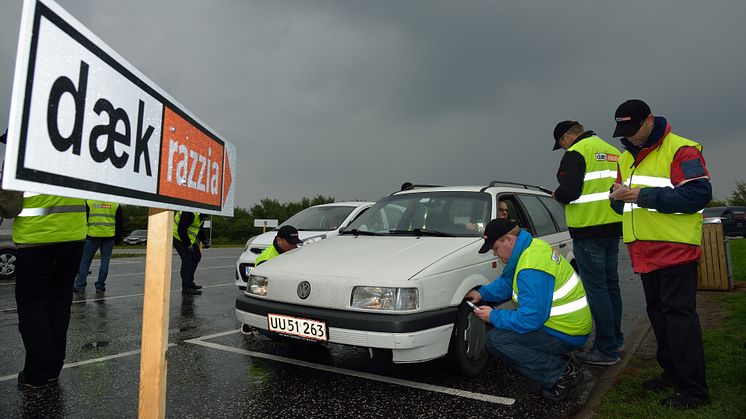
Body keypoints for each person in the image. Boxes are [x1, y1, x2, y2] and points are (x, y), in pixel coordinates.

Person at [609, 99, 711, 409]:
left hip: (674, 248)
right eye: (624, 130)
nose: (630, 136)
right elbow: (619, 202)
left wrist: (641, 196)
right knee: (660, 317)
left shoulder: (681, 149)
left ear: (650, 120)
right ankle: (672, 374)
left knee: (680, 320)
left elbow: (698, 194)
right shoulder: (627, 158)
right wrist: (616, 198)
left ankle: (694, 390)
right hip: (644, 250)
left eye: (634, 128)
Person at [468, 218, 591, 401]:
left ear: (509, 240)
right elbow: (509, 281)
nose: (495, 254)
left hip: (566, 331)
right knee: (504, 334)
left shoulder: (531, 267)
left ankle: (560, 373)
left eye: (495, 248)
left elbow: (530, 320)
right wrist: (482, 294)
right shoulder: (532, 247)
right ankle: (558, 365)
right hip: (566, 324)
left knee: (496, 341)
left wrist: (493, 315)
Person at [551, 120, 624, 366]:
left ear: (566, 137)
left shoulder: (576, 153)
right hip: (613, 227)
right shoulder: (613, 151)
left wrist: (556, 194)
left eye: (560, 144)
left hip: (588, 229)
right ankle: (616, 340)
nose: (562, 148)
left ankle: (606, 349)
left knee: (597, 289)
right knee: (610, 285)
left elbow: (569, 192)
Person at [11, 193, 87, 388]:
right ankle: (53, 369)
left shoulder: (23, 159)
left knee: (32, 307)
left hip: (35, 238)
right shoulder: (78, 160)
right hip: (73, 237)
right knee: (59, 304)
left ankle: (37, 373)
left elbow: (9, 207)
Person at [73, 200, 123, 294]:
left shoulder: (89, 202)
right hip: (109, 236)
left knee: (85, 261)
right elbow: (119, 223)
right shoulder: (115, 204)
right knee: (105, 262)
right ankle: (100, 286)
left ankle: (80, 285)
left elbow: (83, 219)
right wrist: (118, 238)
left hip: (92, 235)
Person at [173, 211, 209, 295]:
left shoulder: (200, 216)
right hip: (177, 237)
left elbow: (199, 229)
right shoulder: (190, 213)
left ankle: (190, 282)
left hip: (188, 238)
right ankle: (186, 288)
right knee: (187, 260)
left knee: (196, 256)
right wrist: (188, 245)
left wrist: (204, 240)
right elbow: (181, 230)